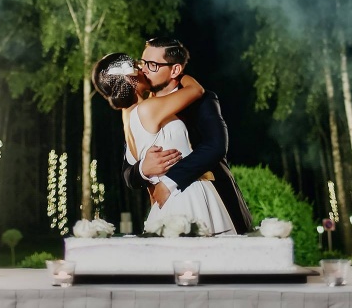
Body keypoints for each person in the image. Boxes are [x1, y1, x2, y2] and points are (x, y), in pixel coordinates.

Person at [108, 37, 253, 234]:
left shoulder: (202, 100)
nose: (143, 69)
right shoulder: (138, 110)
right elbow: (128, 174)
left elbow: (215, 146)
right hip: (166, 209)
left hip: (212, 203)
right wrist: (143, 168)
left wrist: (169, 182)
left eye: (152, 65)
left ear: (175, 70)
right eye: (142, 62)